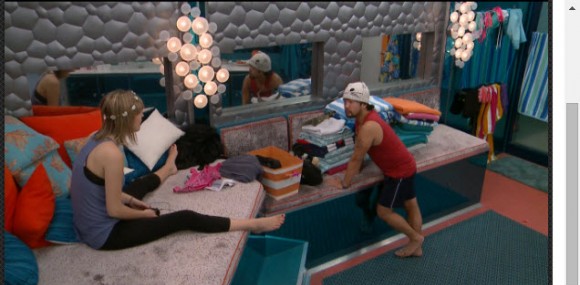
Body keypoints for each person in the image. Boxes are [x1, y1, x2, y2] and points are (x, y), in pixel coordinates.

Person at [70, 89, 285, 251]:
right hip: (105, 234)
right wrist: (143, 215)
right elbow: (114, 211)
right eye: (139, 114)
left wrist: (131, 200)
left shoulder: (95, 139)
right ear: (126, 119)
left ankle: (168, 169)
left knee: (139, 185)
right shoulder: (111, 155)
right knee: (184, 218)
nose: (142, 117)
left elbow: (100, 190)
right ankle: (253, 224)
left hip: (89, 223)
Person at [327, 82, 424, 258]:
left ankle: (415, 238)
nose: (346, 106)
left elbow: (356, 158)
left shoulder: (369, 126)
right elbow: (362, 152)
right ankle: (417, 248)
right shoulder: (362, 119)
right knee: (411, 204)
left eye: (351, 102)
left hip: (399, 172)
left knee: (383, 211)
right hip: (406, 164)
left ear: (364, 104)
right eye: (345, 101)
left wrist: (345, 183)